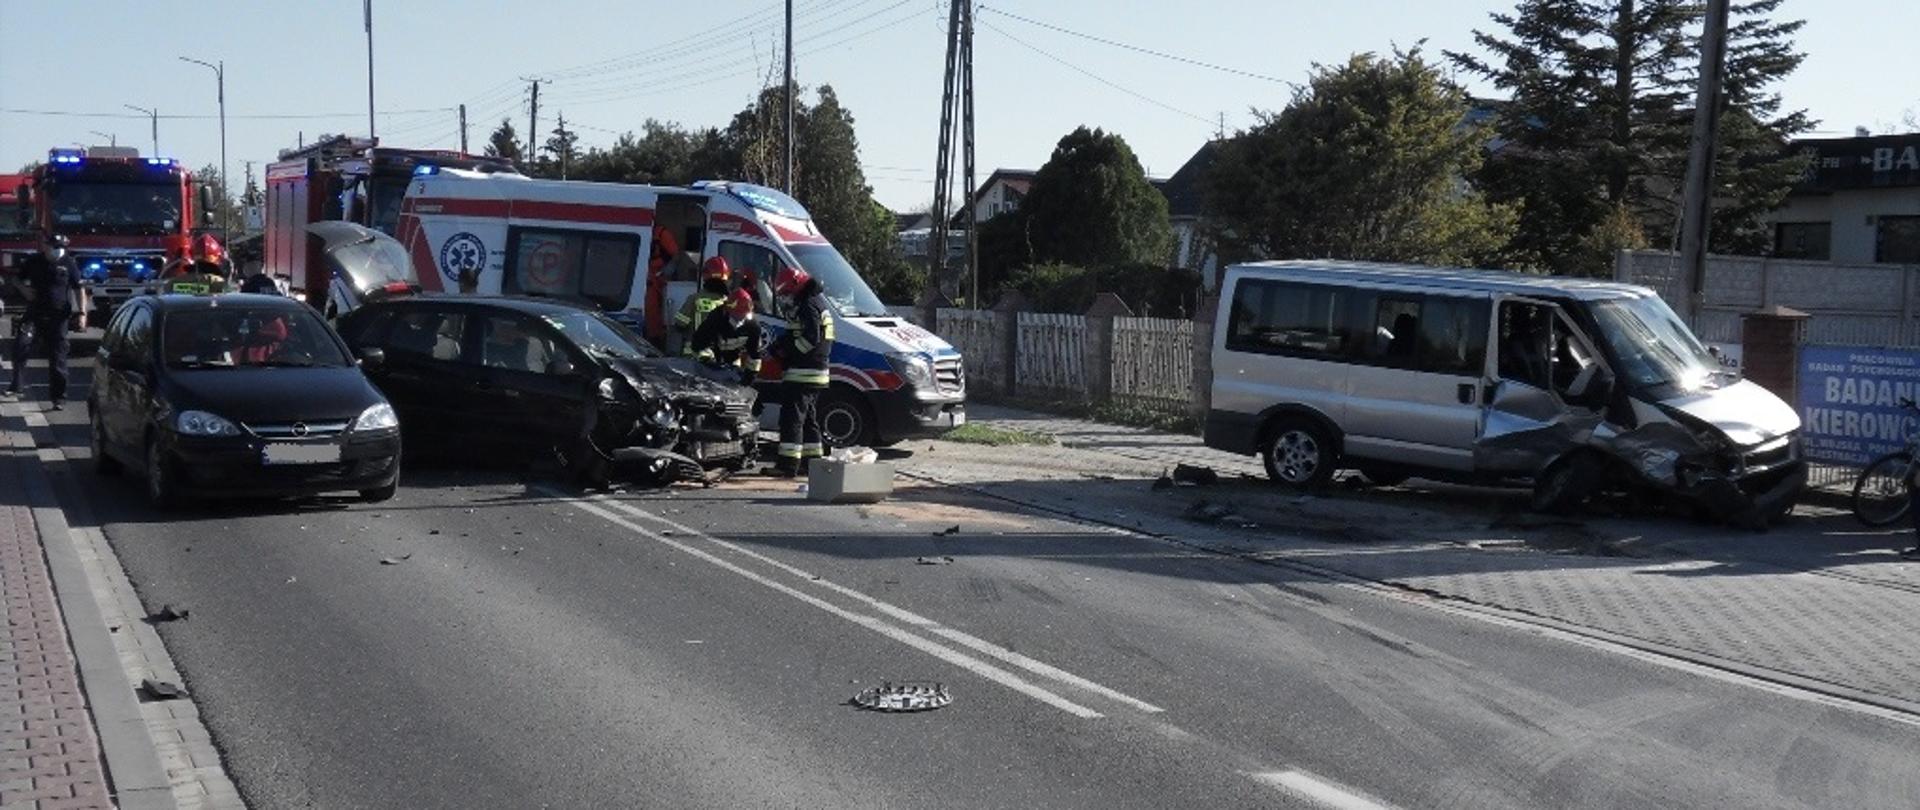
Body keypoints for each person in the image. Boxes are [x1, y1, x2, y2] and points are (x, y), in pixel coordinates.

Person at [7, 234, 86, 408]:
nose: (58, 250)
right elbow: (16, 279)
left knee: (58, 357)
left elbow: (79, 288)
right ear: (46, 246)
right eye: (55, 246)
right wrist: (24, 289)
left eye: (61, 247)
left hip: (58, 316)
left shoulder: (69, 263)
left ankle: (59, 398)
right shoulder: (34, 261)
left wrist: (82, 313)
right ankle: (17, 385)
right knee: (21, 345)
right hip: (35, 312)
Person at [769, 265, 833, 475]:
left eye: (787, 292)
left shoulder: (807, 305)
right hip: (815, 372)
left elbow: (810, 339)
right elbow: (797, 334)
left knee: (792, 419)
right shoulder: (817, 303)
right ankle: (812, 463)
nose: (786, 297)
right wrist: (779, 344)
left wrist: (788, 356)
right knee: (808, 420)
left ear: (796, 286)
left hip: (803, 372)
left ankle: (787, 466)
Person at [689, 288, 766, 386]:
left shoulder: (753, 326)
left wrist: (749, 378)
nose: (739, 321)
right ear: (728, 311)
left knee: (733, 387)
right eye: (736, 317)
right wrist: (708, 361)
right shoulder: (716, 318)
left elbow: (755, 356)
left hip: (732, 362)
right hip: (710, 362)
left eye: (743, 316)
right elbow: (698, 342)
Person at [674, 256, 734, 355]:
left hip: (694, 356)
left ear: (705, 276)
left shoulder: (694, 299)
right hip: (720, 357)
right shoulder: (730, 303)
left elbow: (680, 324)